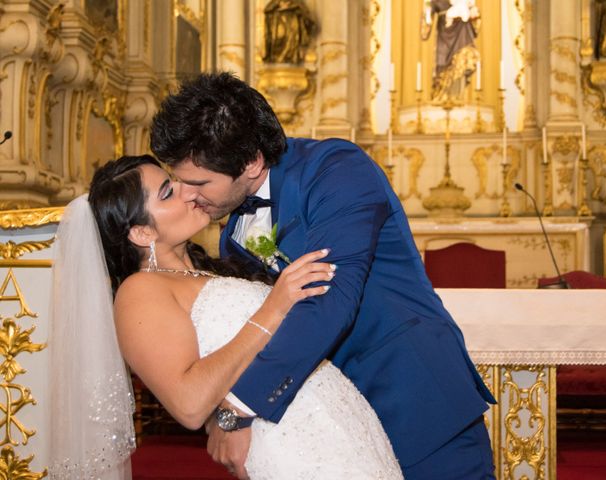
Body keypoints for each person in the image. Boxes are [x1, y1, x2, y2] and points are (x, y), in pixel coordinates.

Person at [150, 72, 496, 479]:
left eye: (197, 183)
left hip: (415, 395)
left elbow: (329, 298)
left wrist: (237, 407)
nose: (186, 194)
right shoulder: (233, 236)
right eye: (176, 180)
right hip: (335, 419)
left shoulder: (336, 170)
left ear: (251, 162)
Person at [48, 155, 403, 479]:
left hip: (338, 419)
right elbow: (188, 404)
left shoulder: (211, 269)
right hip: (285, 436)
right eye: (169, 192)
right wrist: (273, 307)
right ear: (142, 232)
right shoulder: (139, 291)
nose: (189, 193)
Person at [421, 0, 481, 102]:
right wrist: (427, 13)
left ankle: (457, 98)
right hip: (444, 39)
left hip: (462, 35)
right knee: (442, 69)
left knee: (460, 65)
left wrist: (474, 13)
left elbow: (475, 20)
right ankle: (440, 97)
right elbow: (425, 30)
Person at [263, 0, 316, 64]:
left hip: (292, 27)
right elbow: (267, 10)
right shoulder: (275, 4)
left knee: (291, 39)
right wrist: (279, 4)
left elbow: (306, 17)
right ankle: (277, 56)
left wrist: (296, 9)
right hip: (278, 26)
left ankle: (290, 56)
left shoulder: (297, 3)